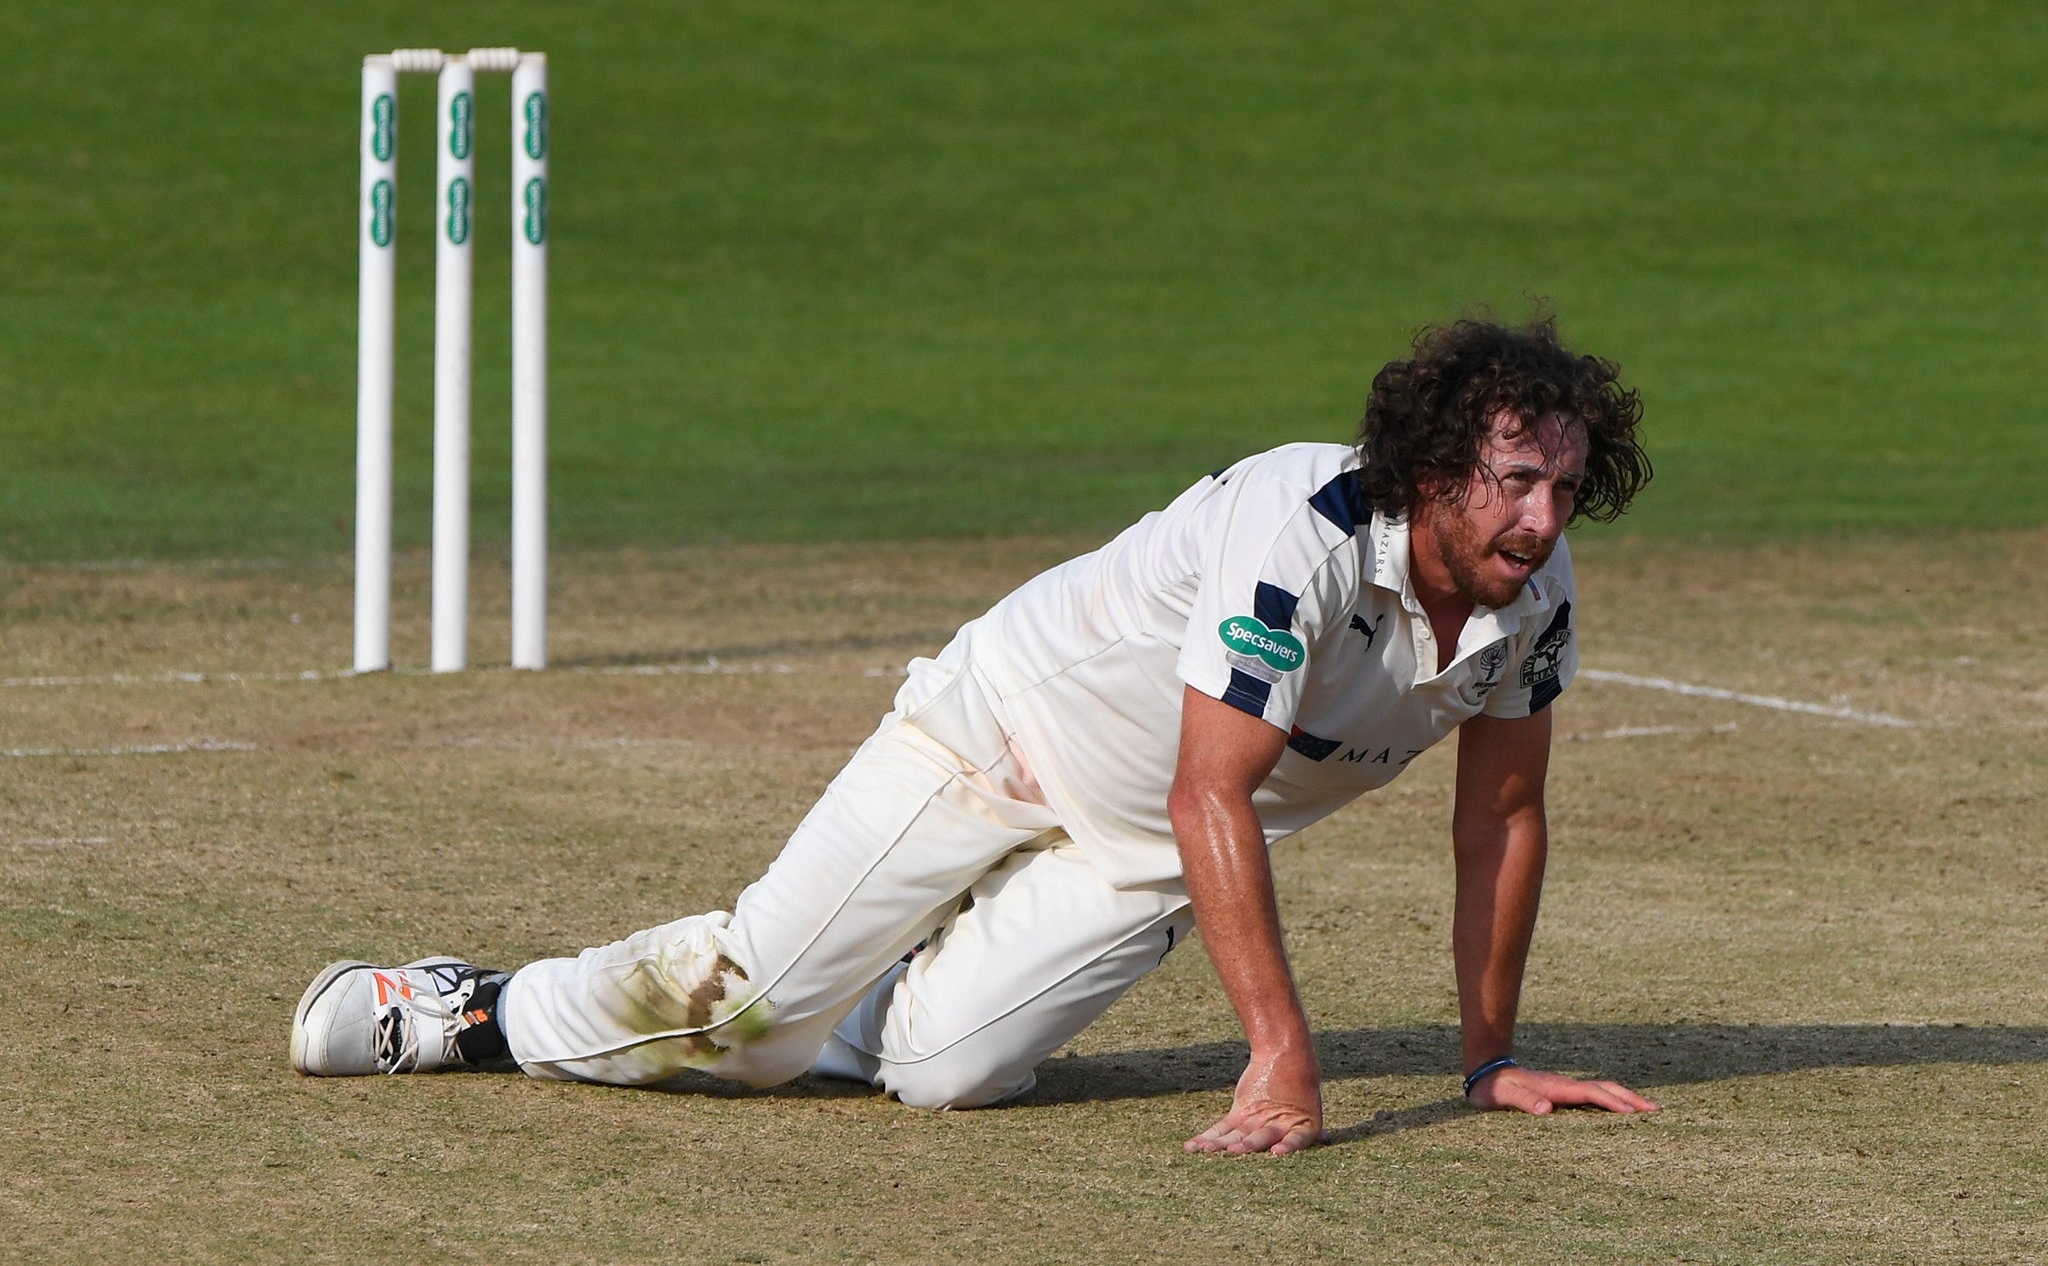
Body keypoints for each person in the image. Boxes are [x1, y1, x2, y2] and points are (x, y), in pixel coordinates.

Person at [293, 314, 1659, 1154]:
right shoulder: (1300, 532)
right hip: (998, 732)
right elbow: (1213, 791)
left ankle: (836, 990)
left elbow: (1502, 815)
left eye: (1566, 486)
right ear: (1435, 468)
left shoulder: (1534, 596)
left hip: (1142, 850)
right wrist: (1278, 1052)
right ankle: (470, 1011)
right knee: (749, 1014)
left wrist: (1488, 1059)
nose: (1543, 519)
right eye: (1515, 481)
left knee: (945, 1074)